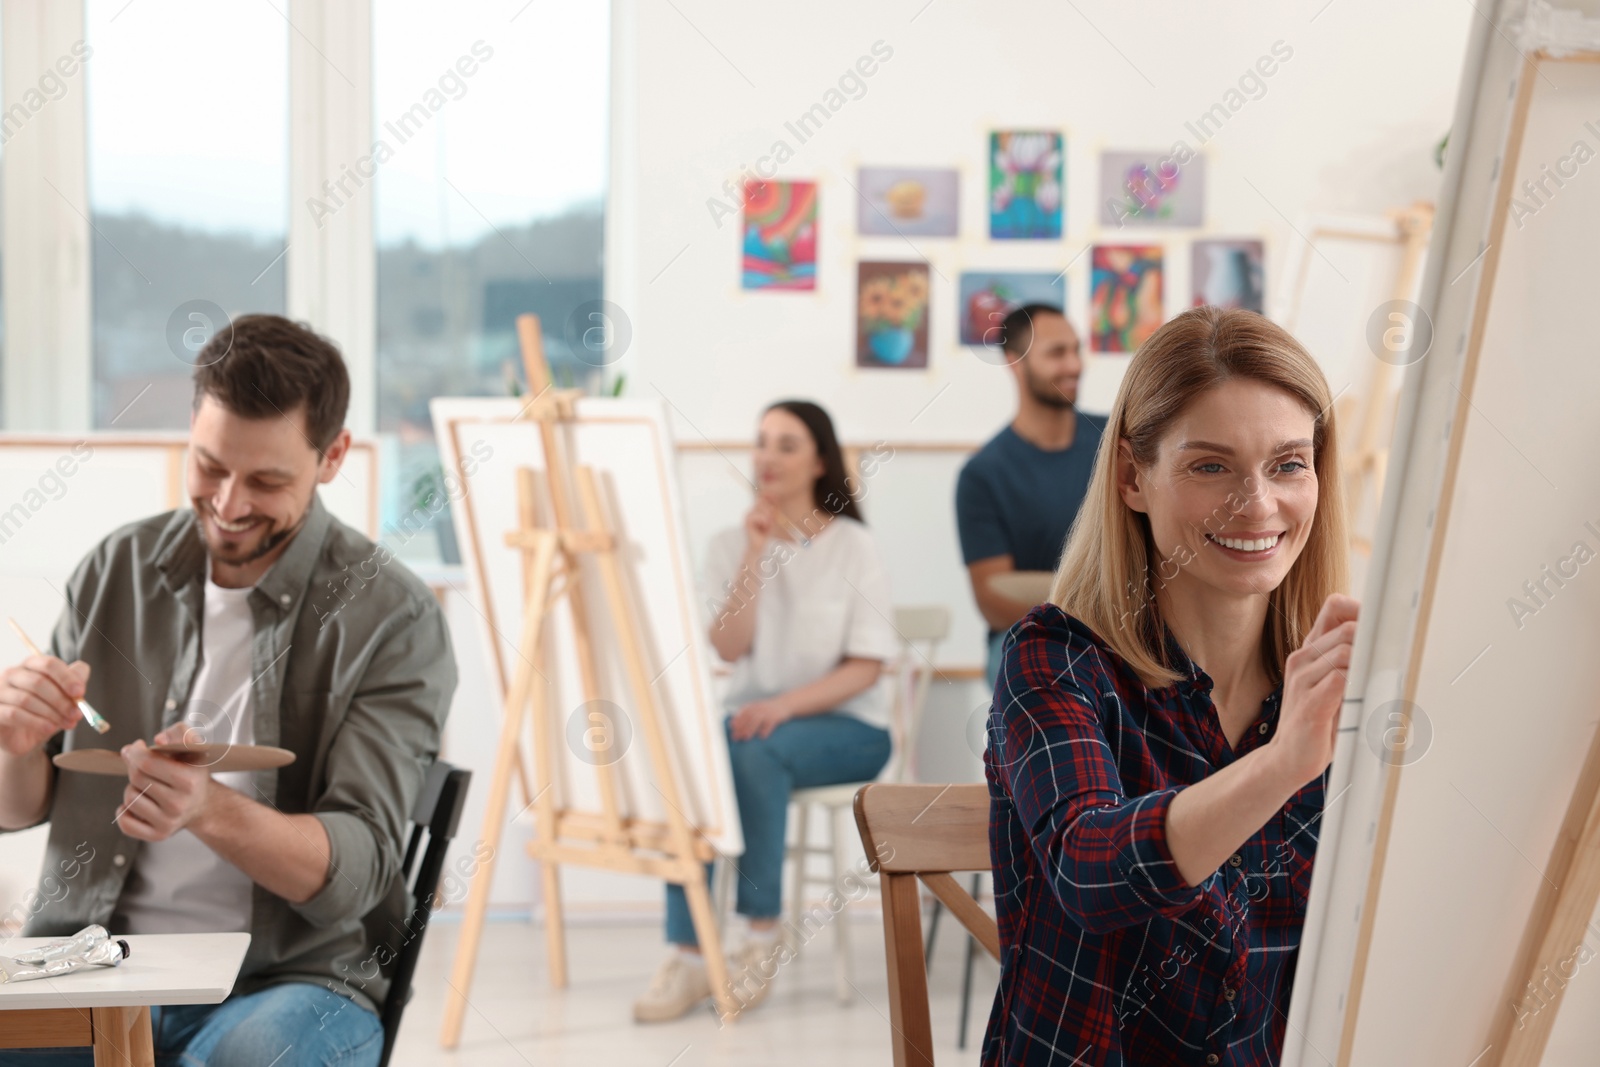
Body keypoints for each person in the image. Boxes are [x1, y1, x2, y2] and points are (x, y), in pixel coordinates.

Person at [0, 315, 456, 1067]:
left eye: (268, 480)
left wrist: (208, 809)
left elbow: (361, 868)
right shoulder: (117, 568)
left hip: (287, 982)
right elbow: (19, 806)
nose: (230, 503)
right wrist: (16, 745)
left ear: (333, 455)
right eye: (210, 465)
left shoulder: (392, 616)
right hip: (91, 966)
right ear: (191, 428)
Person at [982, 306, 1359, 1065]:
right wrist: (1284, 762)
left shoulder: (1331, 680)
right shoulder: (1055, 660)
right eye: (1210, 465)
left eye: (1288, 463)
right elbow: (1090, 872)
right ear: (1132, 477)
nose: (1257, 504)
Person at [632, 400, 898, 1024]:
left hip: (850, 727)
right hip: (754, 726)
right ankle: (691, 951)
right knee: (698, 759)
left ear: (820, 461)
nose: (767, 457)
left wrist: (780, 706)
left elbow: (866, 667)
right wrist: (754, 553)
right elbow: (728, 647)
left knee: (751, 749)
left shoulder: (855, 547)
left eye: (786, 444)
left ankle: (759, 937)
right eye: (761, 442)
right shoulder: (728, 545)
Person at [956, 303, 1105, 690]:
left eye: (1076, 349)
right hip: (1030, 638)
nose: (1074, 365)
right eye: (1057, 353)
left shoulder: (1117, 443)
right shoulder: (984, 474)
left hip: (1126, 629)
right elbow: (993, 600)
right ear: (1015, 362)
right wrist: (1093, 608)